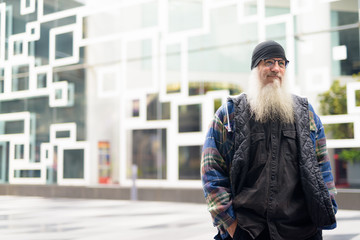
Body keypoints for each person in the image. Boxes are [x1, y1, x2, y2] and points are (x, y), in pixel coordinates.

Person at [201, 40, 337, 240]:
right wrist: (232, 228)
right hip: (248, 231)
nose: (276, 68)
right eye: (269, 62)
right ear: (255, 68)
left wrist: (328, 207)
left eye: (281, 63)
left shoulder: (306, 113)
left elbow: (322, 166)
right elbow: (211, 173)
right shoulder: (229, 114)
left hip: (302, 230)